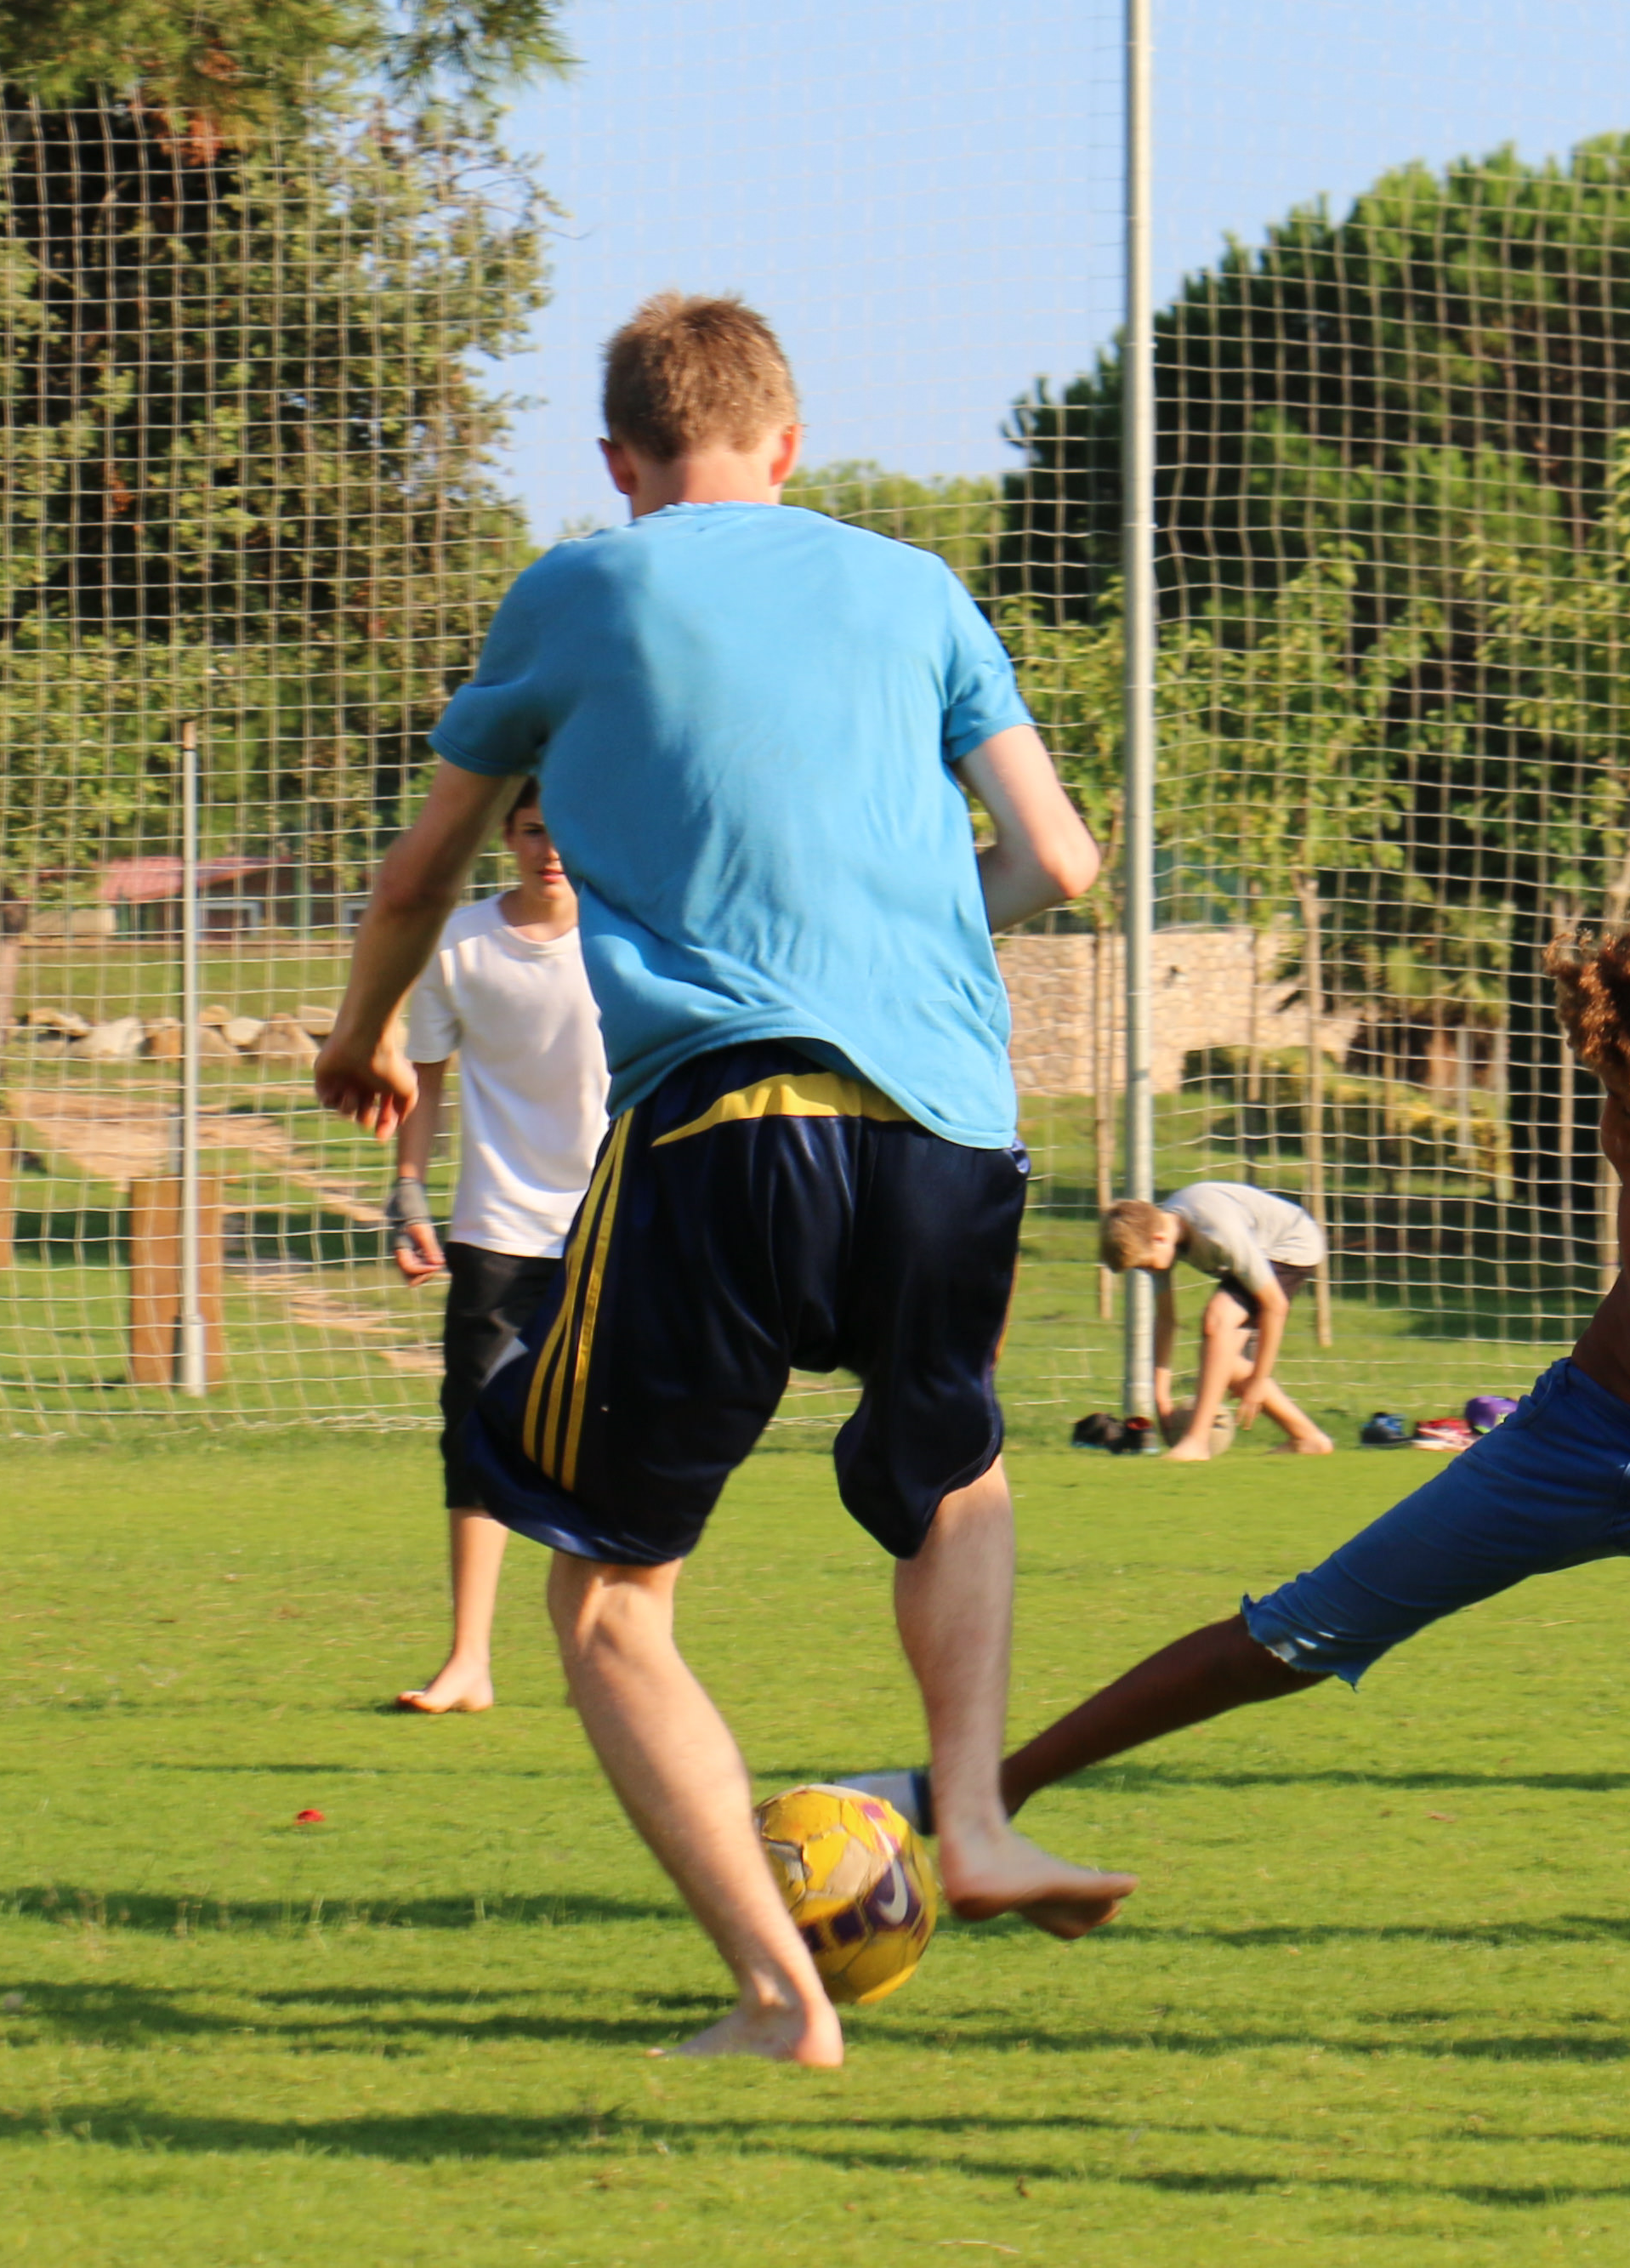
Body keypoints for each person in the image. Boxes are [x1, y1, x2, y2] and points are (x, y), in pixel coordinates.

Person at [312, 291, 1131, 2066]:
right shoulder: (917, 589)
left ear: (619, 460)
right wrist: (908, 937)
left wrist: (362, 1034)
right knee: (956, 1472)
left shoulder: (579, 590)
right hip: (948, 1128)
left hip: (727, 1122)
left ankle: (779, 1998)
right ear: (789, 441)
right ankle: (977, 1817)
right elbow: (1059, 857)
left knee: (608, 1597)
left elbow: (420, 869)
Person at [849, 898, 1630, 2021]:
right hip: (1574, 1435)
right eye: (1609, 1095)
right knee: (1290, 1634)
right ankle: (980, 1791)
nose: (1614, 1131)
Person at [387, 779, 608, 1716]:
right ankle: (467, 1661)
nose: (549, 849)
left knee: (603, 1443)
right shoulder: (461, 943)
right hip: (497, 1230)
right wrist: (408, 1193)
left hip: (615, 1227)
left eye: (566, 829)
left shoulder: (630, 939)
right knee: (478, 1436)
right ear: (508, 838)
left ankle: (607, 1655)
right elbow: (423, 1081)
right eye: (531, 830)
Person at [1099, 1183, 1335, 1458]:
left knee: (1217, 1319)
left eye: (1146, 1265)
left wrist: (1259, 1379)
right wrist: (1161, 1396)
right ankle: (1308, 1439)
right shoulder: (1160, 1234)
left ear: (1159, 1239)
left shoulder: (1218, 1233)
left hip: (1292, 1243)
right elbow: (1165, 1321)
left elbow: (1275, 1305)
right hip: (1258, 1249)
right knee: (1222, 1362)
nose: (1148, 1271)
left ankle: (1196, 1442)